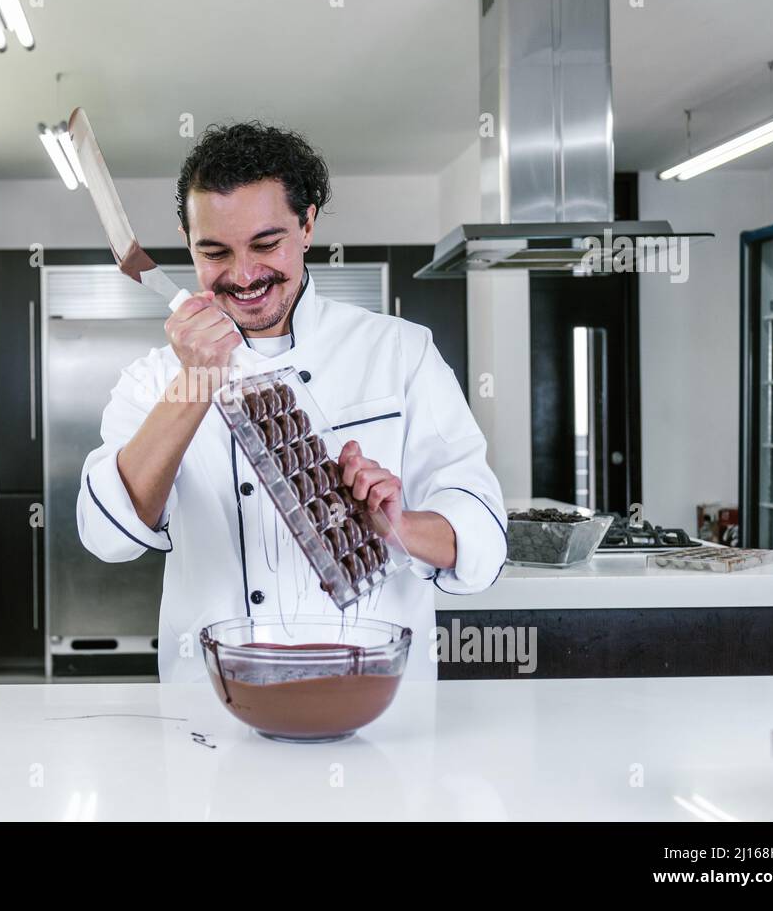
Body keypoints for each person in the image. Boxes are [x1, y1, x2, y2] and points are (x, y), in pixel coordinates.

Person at [76, 121, 506, 682]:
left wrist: (399, 527)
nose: (245, 275)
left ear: (307, 225)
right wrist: (196, 383)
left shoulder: (399, 352)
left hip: (374, 700)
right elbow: (107, 536)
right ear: (187, 241)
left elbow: (483, 537)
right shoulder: (152, 381)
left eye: (265, 243)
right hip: (214, 706)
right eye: (215, 251)